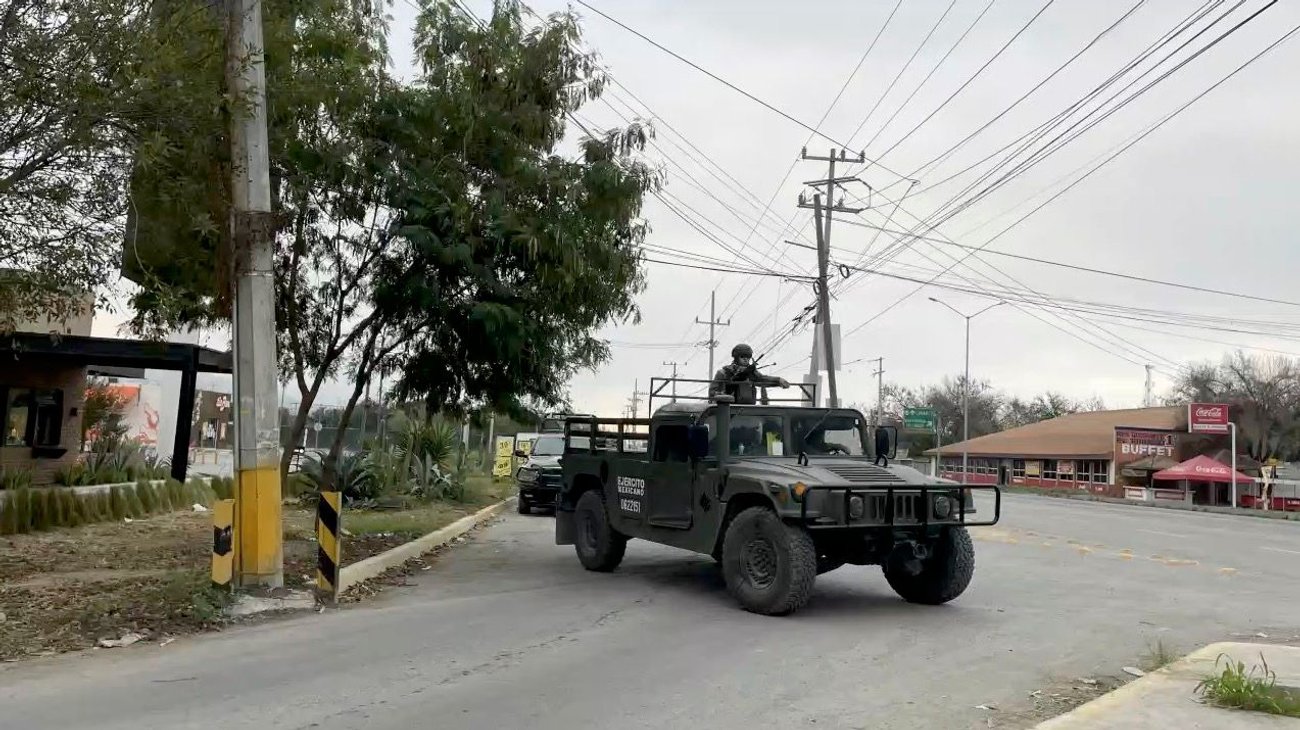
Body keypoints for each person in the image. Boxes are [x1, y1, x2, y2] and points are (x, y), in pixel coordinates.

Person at [710, 344, 789, 405]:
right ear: (736, 357)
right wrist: (724, 395)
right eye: (742, 356)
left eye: (748, 357)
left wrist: (778, 381)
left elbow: (762, 379)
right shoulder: (724, 373)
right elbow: (712, 392)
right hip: (727, 408)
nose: (746, 359)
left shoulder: (751, 373)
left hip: (748, 408)